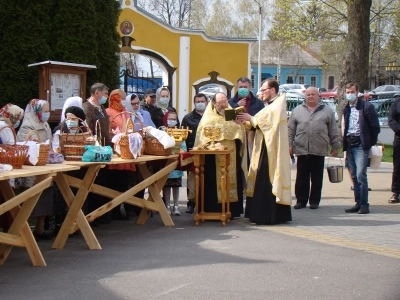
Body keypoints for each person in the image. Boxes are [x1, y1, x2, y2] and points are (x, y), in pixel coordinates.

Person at [237, 79, 292, 224]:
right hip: (263, 145)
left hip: (271, 150)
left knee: (266, 179)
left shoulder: (277, 105)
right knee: (258, 178)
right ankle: (257, 213)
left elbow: (268, 124)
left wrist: (251, 119)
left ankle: (267, 215)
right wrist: (246, 122)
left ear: (272, 90)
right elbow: (260, 123)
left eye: (263, 90)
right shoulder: (270, 105)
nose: (261, 93)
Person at [194, 92, 247, 218]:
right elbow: (201, 138)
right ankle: (212, 210)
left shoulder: (231, 115)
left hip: (231, 154)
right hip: (213, 157)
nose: (223, 105)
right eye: (220, 103)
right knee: (211, 181)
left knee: (232, 179)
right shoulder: (207, 118)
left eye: (225, 102)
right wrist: (212, 144)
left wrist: (239, 125)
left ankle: (232, 210)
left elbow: (240, 133)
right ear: (213, 103)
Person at [288, 87, 341, 210]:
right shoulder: (297, 110)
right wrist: (289, 144)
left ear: (318, 96)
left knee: (317, 178)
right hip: (302, 149)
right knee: (302, 177)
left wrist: (335, 146)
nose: (310, 96)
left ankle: (314, 201)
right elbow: (290, 130)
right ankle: (301, 201)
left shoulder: (327, 111)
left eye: (313, 94)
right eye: (308, 94)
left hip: (319, 149)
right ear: (305, 96)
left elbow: (333, 130)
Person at [17, 99, 53, 240]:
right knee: (31, 198)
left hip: (45, 164)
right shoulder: (28, 125)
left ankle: (40, 228)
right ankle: (24, 230)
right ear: (37, 110)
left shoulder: (45, 123)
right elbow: (28, 144)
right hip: (33, 165)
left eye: (48, 111)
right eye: (45, 111)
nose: (47, 114)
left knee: (45, 196)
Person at [343, 82, 380, 214]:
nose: (350, 94)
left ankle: (365, 204)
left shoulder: (366, 106)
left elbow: (375, 127)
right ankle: (358, 202)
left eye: (352, 92)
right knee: (353, 175)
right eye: (347, 92)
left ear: (357, 92)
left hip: (361, 144)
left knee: (360, 175)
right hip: (349, 143)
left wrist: (369, 143)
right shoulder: (346, 108)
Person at [82, 83, 112, 224]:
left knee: (103, 182)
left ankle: (101, 213)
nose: (107, 96)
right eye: (105, 93)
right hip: (94, 150)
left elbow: (106, 125)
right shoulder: (87, 107)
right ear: (97, 93)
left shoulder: (101, 108)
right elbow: (88, 128)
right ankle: (92, 215)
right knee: (93, 182)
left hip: (104, 149)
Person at [181, 93, 208, 213]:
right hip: (192, 152)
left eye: (202, 101)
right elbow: (182, 135)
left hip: (209, 152)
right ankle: (191, 203)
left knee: (207, 178)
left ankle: (205, 203)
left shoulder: (210, 116)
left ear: (206, 102)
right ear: (194, 103)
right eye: (198, 101)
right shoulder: (188, 118)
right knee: (192, 178)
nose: (200, 103)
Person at [228, 77, 264, 159]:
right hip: (236, 139)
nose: (243, 89)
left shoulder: (258, 103)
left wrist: (250, 119)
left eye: (245, 87)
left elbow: (262, 121)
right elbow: (226, 119)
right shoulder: (230, 102)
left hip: (252, 138)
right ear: (237, 87)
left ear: (250, 87)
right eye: (241, 87)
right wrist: (236, 106)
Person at [162, 111, 187, 216]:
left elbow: (183, 145)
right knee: (166, 185)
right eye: (170, 118)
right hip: (166, 162)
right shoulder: (162, 131)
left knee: (176, 185)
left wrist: (181, 151)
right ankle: (167, 205)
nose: (172, 121)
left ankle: (176, 205)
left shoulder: (180, 131)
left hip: (176, 163)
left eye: (174, 119)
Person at [387, 96, 400, 203]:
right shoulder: (396, 103)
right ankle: (396, 192)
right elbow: (391, 120)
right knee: (398, 166)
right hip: (399, 138)